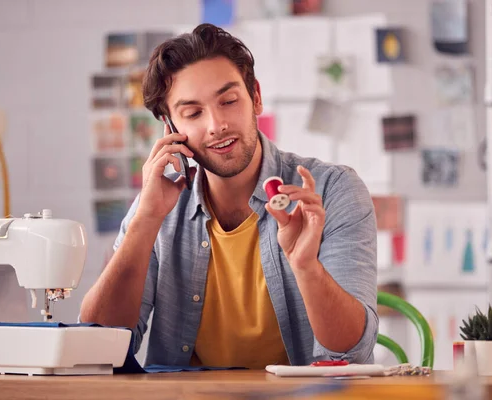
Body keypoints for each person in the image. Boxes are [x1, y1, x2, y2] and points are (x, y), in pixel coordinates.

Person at [80, 23, 378, 369]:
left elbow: (350, 352)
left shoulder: (332, 190)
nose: (216, 124)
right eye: (193, 113)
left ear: (255, 97)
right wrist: (146, 221)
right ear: (171, 126)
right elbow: (96, 344)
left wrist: (306, 267)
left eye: (229, 101)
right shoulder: (155, 204)